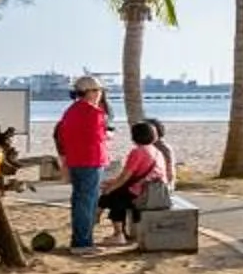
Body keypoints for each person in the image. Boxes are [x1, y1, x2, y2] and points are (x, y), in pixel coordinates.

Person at [54, 77, 111, 252]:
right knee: (87, 202)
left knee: (80, 201)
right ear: (91, 92)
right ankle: (83, 242)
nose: (100, 94)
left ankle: (80, 239)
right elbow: (99, 137)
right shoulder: (94, 112)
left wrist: (64, 161)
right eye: (99, 90)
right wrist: (108, 135)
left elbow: (60, 135)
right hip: (91, 160)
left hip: (75, 160)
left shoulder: (70, 111)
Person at [100, 120, 169, 240]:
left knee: (114, 197)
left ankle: (117, 233)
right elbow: (134, 177)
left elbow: (126, 176)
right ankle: (105, 222)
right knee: (113, 193)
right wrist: (113, 183)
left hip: (143, 194)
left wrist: (111, 187)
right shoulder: (157, 151)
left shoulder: (137, 152)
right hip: (157, 191)